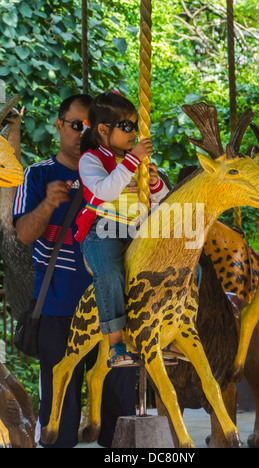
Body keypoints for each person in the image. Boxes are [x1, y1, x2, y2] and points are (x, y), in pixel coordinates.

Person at [12, 94, 136, 448]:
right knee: (58, 417)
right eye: (75, 125)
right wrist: (50, 203)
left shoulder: (120, 174)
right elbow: (23, 234)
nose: (82, 133)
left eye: (90, 126)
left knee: (120, 419)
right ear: (59, 125)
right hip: (59, 308)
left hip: (113, 312)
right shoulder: (38, 174)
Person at [75, 91, 169, 366]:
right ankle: (115, 342)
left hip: (137, 226)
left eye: (135, 126)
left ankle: (168, 329)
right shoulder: (91, 160)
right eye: (126, 126)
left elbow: (161, 200)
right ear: (103, 130)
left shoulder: (135, 159)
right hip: (102, 229)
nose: (133, 133)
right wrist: (132, 161)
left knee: (178, 260)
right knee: (110, 271)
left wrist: (153, 183)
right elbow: (105, 191)